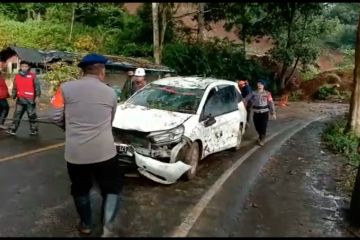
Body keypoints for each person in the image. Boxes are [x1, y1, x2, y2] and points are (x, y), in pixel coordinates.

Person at [50, 53, 123, 237]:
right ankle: (107, 228)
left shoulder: (65, 88)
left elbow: (55, 116)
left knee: (80, 189)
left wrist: (70, 129)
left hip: (76, 153)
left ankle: (86, 224)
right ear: (102, 71)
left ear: (83, 70)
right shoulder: (110, 92)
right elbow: (110, 120)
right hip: (105, 152)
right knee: (111, 188)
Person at [6, 60, 41, 136]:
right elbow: (15, 87)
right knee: (17, 115)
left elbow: (37, 87)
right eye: (22, 66)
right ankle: (13, 129)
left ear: (28, 67)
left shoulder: (32, 76)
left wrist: (37, 96)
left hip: (30, 100)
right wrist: (13, 96)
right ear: (20, 67)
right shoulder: (17, 76)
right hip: (20, 100)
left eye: (26, 66)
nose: (24, 68)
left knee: (32, 115)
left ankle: (34, 130)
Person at [245, 79, 276, 146]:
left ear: (263, 85)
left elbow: (271, 103)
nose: (259, 85)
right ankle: (260, 135)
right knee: (257, 126)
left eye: (261, 84)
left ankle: (262, 139)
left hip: (264, 112)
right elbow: (246, 99)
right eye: (258, 84)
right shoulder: (253, 93)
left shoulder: (267, 93)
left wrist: (273, 113)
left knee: (263, 126)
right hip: (256, 112)